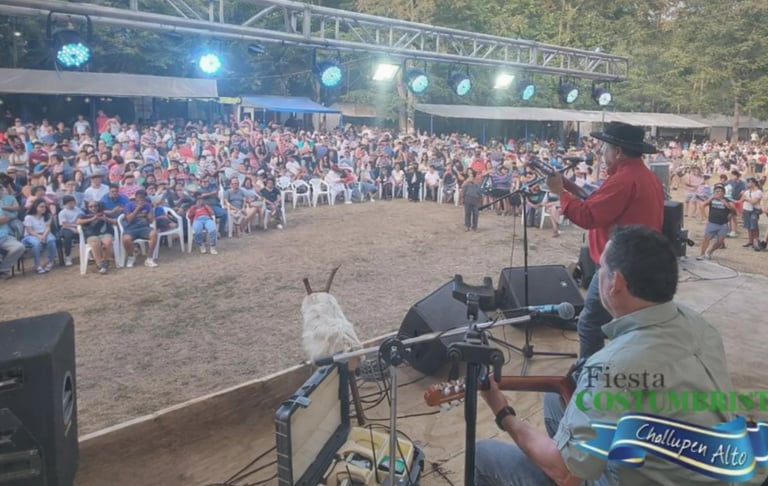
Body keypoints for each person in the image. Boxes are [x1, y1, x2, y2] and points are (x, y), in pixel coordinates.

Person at [475, 226, 747, 486]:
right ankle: (575, 453)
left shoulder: (612, 366)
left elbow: (566, 475)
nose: (597, 274)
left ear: (616, 282)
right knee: (555, 399)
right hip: (712, 468)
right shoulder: (697, 324)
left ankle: (572, 460)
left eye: (601, 267)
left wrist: (504, 412)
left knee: (482, 455)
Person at [547, 122, 664, 360]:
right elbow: (599, 203)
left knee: (590, 323)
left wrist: (560, 193)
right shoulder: (643, 175)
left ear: (618, 151)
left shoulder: (623, 179)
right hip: (638, 259)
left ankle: (590, 379)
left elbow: (589, 216)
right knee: (626, 323)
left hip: (619, 265)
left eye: (605, 147)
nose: (601, 152)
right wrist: (568, 186)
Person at [697, 184, 735, 260]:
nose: (718, 193)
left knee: (720, 242)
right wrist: (705, 217)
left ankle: (710, 251)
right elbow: (702, 206)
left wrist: (726, 206)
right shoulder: (711, 200)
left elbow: (734, 210)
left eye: (720, 191)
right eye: (716, 191)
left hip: (723, 224)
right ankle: (702, 254)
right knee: (706, 239)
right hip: (712, 222)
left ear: (723, 193)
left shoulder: (727, 200)